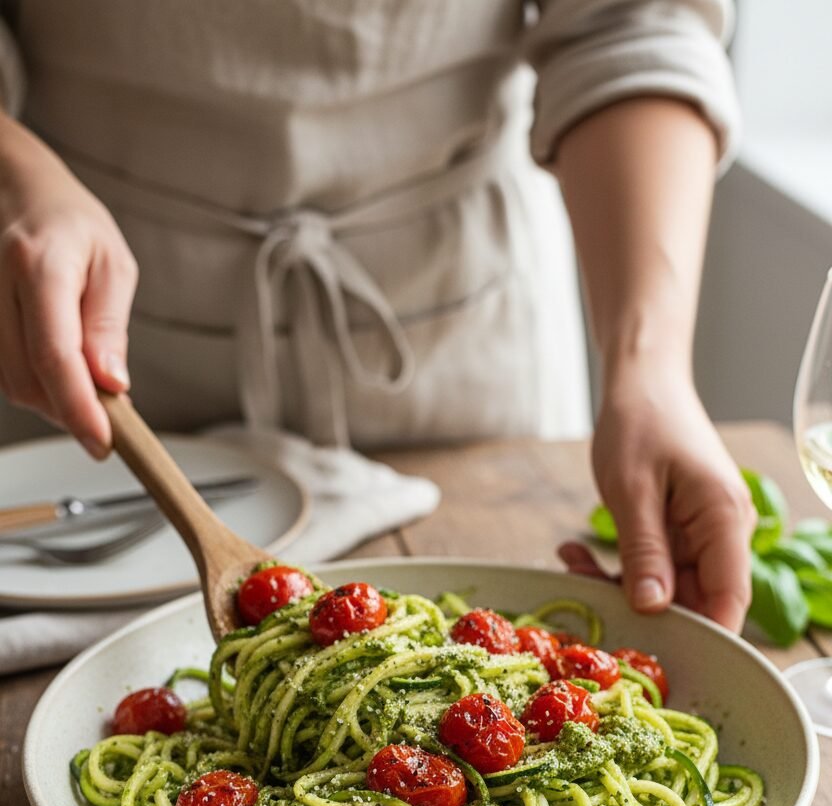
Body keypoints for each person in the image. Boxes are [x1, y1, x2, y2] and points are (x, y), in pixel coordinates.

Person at [0, 1, 754, 631]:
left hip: (467, 346)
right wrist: (16, 178)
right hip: (86, 306)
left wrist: (647, 368)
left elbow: (633, 23)